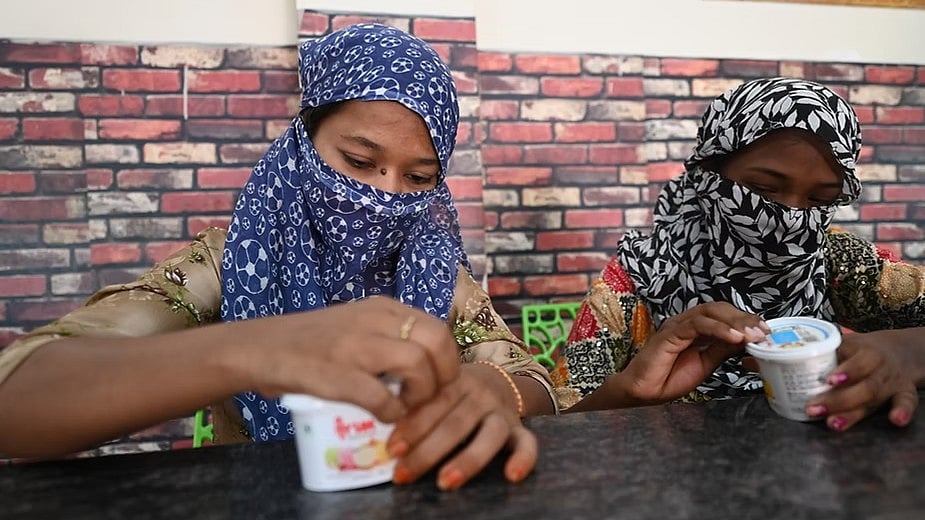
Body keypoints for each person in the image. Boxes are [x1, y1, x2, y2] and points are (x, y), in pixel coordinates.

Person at [0, 23, 557, 491]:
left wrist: (491, 390)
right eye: (359, 162)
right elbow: (17, 395)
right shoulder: (227, 266)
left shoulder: (437, 275)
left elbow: (534, 379)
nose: (385, 195)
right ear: (303, 142)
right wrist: (251, 349)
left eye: (417, 178)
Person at [552, 77, 925, 431]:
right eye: (763, 189)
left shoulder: (836, 261)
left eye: (819, 199)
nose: (791, 220)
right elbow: (560, 424)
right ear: (708, 175)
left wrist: (909, 352)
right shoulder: (637, 278)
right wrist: (630, 393)